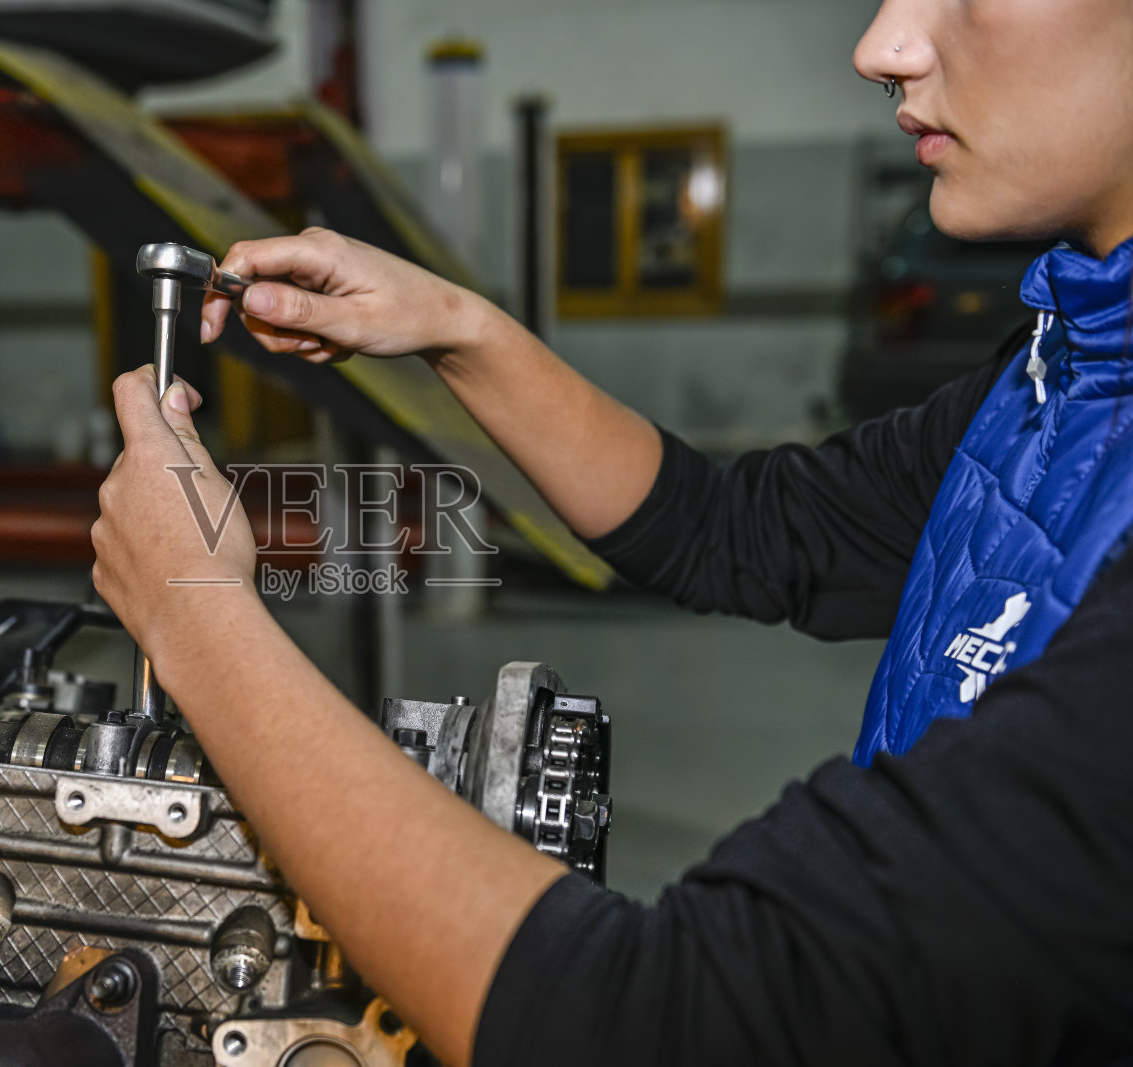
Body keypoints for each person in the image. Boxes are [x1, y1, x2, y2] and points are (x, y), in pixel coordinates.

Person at [88, 0, 1133, 1062]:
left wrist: (197, 615)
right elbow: (736, 529)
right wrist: (456, 327)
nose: (881, 46)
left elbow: (661, 1021)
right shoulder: (1059, 380)